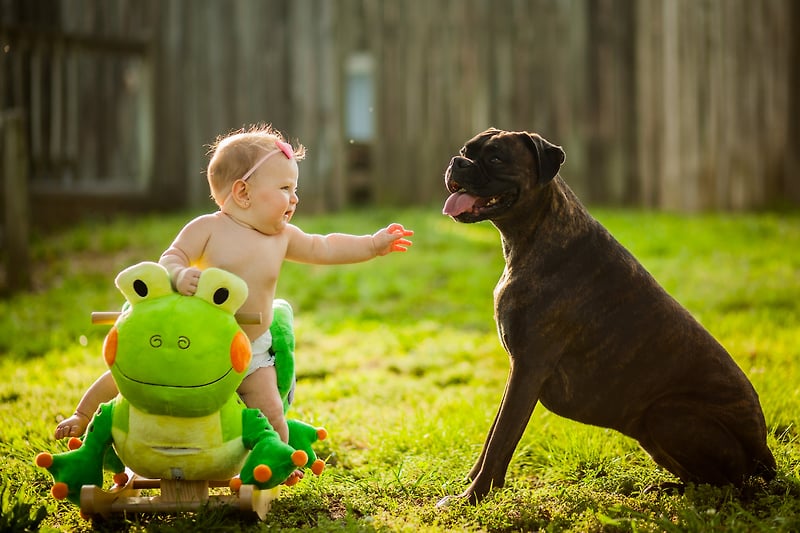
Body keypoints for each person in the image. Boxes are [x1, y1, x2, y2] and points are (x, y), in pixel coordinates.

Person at [55, 124, 413, 450]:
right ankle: (82, 416)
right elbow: (172, 256)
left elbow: (326, 246)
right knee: (133, 370)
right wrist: (180, 275)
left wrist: (373, 244)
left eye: (295, 189)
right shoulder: (207, 228)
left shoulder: (283, 237)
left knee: (271, 409)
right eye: (285, 188)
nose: (295, 198)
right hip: (197, 341)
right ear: (243, 192)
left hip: (251, 351)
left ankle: (275, 460)